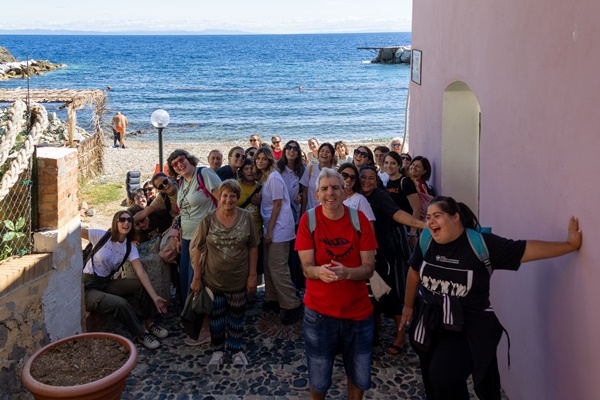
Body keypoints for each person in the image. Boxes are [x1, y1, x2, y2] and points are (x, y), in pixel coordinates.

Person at [401, 196, 582, 400]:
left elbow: (525, 250)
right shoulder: (426, 240)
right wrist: (408, 306)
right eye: (428, 217)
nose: (431, 221)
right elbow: (414, 271)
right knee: (432, 380)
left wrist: (569, 245)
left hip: (467, 326)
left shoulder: (481, 244)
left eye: (437, 215)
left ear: (455, 217)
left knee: (444, 375)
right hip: (430, 322)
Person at [295, 168, 378, 400]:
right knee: (319, 377)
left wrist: (347, 273)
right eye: (324, 189)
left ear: (345, 192)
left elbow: (369, 267)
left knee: (359, 375)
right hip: (319, 314)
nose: (330, 193)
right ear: (317, 194)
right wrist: (318, 272)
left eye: (335, 188)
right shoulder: (308, 220)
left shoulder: (358, 219)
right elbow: (306, 267)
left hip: (358, 313)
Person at [190, 180, 260, 366]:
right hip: (213, 280)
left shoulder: (246, 218)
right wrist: (197, 278)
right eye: (225, 195)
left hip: (238, 280)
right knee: (216, 317)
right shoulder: (208, 219)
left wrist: (252, 275)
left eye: (232, 196)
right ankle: (217, 351)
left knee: (237, 317)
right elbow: (198, 248)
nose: (228, 199)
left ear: (237, 198)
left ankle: (236, 350)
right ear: (219, 197)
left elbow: (253, 247)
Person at [359, 164, 426, 355]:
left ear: (377, 180)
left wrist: (422, 225)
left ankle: (401, 336)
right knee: (371, 292)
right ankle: (376, 328)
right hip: (366, 252)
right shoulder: (358, 197)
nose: (366, 181)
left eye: (371, 178)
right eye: (363, 177)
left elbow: (399, 215)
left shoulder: (380, 196)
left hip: (383, 252)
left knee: (387, 294)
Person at [82, 210, 169, 350]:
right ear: (115, 222)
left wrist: (155, 297)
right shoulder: (101, 236)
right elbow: (75, 233)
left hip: (105, 283)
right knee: (120, 304)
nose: (126, 222)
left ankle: (149, 323)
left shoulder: (129, 248)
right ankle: (140, 333)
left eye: (129, 220)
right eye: (122, 219)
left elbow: (141, 272)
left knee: (140, 286)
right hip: (88, 287)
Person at [166, 149, 221, 321]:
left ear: (189, 160)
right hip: (187, 237)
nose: (179, 165)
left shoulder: (204, 174)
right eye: (174, 164)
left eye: (181, 160)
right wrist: (179, 236)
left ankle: (204, 319)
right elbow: (183, 212)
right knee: (187, 279)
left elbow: (223, 201)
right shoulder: (182, 183)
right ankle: (192, 315)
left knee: (201, 279)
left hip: (204, 238)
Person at [254, 147, 303, 324]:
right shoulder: (266, 177)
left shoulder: (274, 177)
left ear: (269, 160)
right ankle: (273, 298)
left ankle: (292, 304)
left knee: (278, 267)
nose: (260, 161)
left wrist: (271, 230)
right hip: (271, 226)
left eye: (263, 158)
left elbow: (277, 205)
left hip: (279, 228)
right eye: (257, 158)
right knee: (269, 265)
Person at [277, 140, 305, 290]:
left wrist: (300, 195)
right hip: (280, 218)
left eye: (295, 148)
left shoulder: (302, 170)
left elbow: (305, 190)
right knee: (282, 257)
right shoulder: (277, 169)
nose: (291, 150)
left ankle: (296, 289)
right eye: (289, 147)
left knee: (295, 256)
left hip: (296, 218)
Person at [300, 142, 336, 218]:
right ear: (318, 153)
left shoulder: (336, 172)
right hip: (311, 212)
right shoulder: (310, 169)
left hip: (330, 213)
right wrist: (302, 213)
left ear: (332, 156)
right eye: (322, 151)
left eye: (328, 152)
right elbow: (305, 193)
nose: (324, 154)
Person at [338, 162, 375, 230]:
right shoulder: (329, 196)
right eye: (345, 175)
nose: (349, 180)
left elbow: (370, 229)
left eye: (353, 177)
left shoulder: (360, 200)